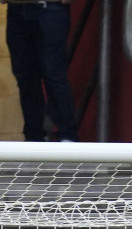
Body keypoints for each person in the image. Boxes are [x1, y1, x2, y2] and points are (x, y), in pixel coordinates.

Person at [5, 0, 78, 141]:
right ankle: (34, 137)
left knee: (53, 74)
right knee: (26, 77)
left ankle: (67, 136)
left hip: (50, 7)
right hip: (18, 8)